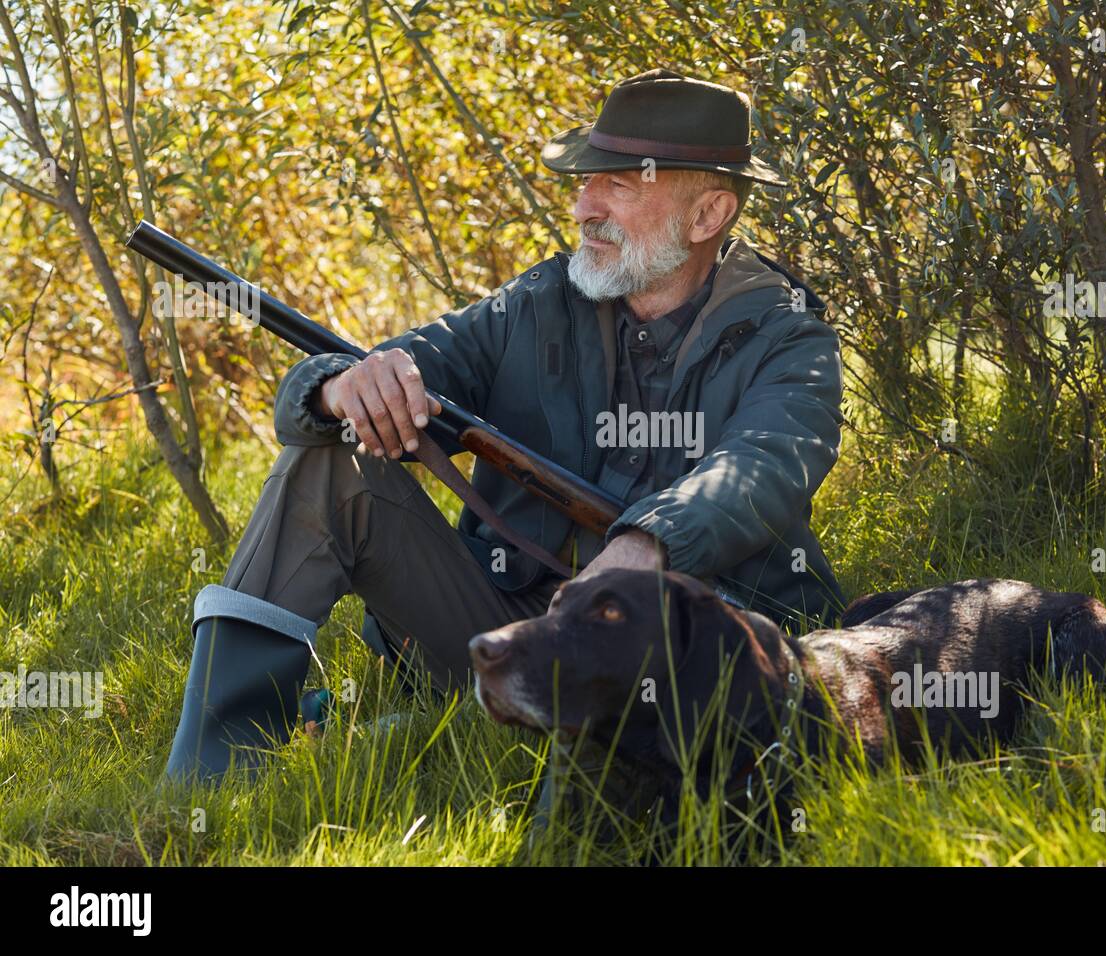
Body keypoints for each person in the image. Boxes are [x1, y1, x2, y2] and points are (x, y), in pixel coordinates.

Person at [164, 69, 846, 828]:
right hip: (514, 625)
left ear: (708, 213)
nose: (585, 206)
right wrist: (341, 387)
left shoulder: (793, 338)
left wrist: (650, 541)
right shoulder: (537, 300)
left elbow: (763, 464)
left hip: (688, 653)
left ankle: (417, 734)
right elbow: (407, 363)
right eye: (587, 183)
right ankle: (209, 784)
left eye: (619, 185)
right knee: (327, 461)